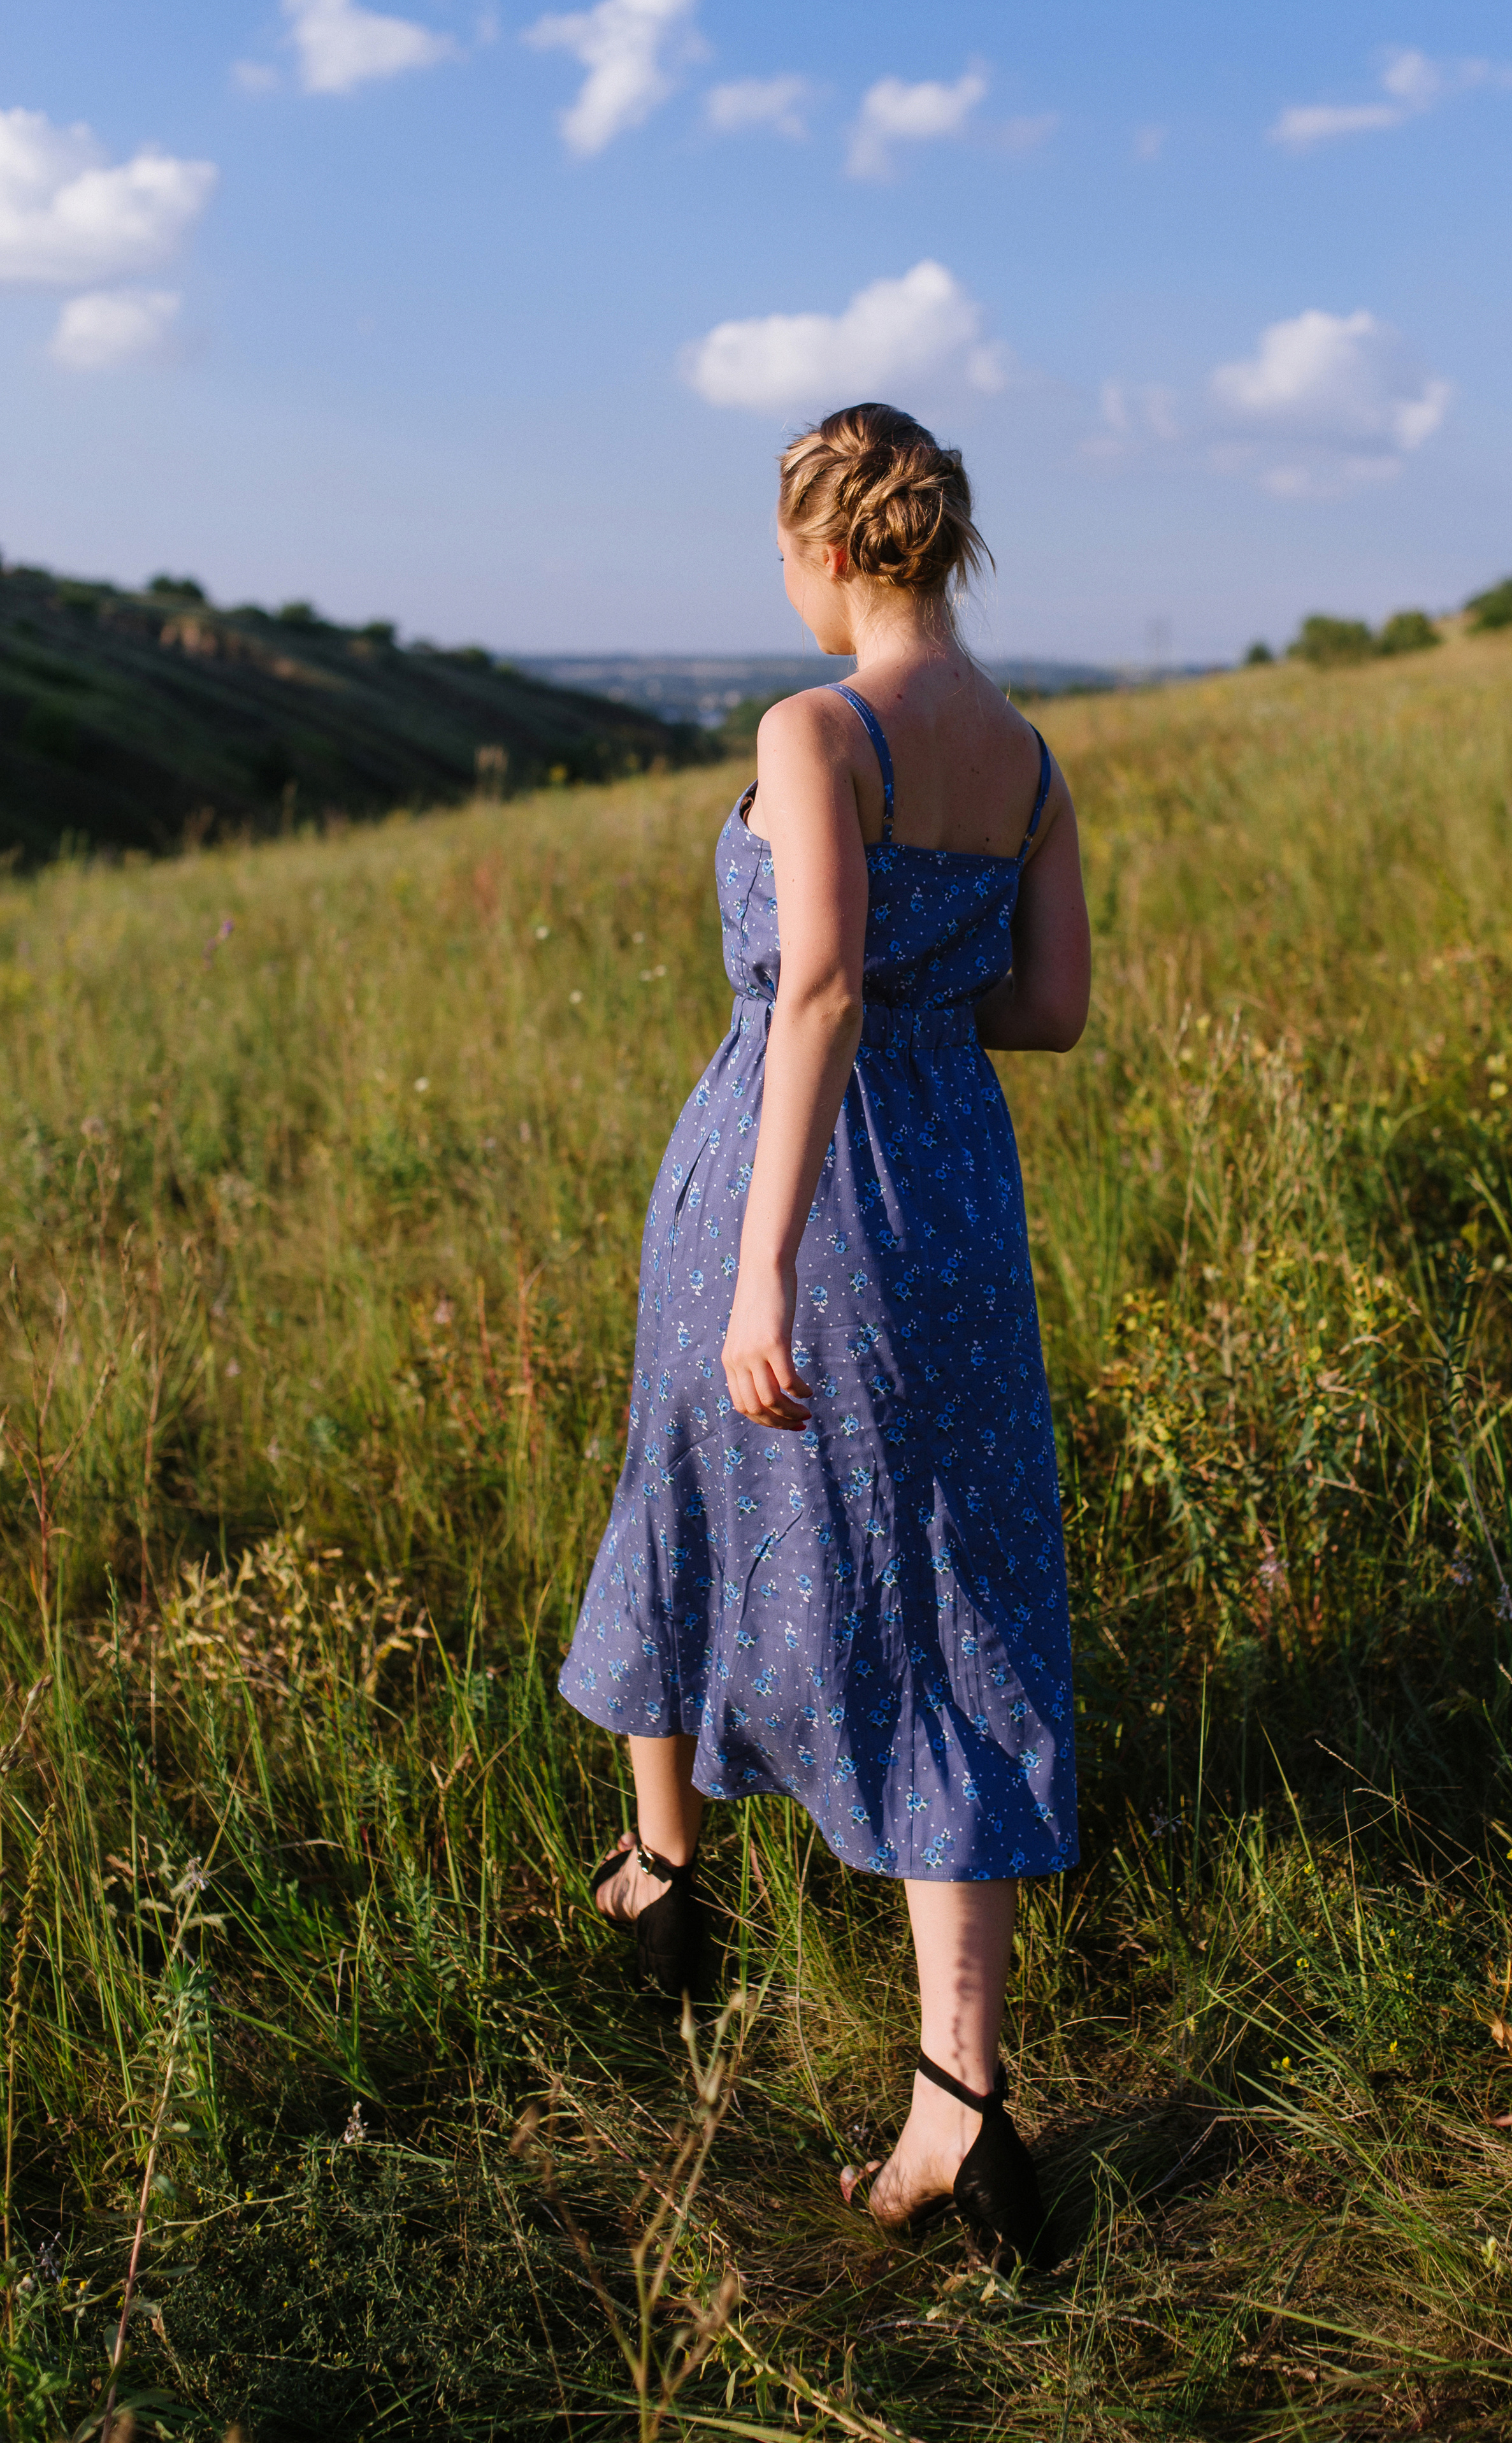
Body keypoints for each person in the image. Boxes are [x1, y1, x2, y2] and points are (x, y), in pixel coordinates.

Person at [560, 402, 1091, 2254]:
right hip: (956, 1197)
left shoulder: (816, 730)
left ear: (835, 554)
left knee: (684, 1499)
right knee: (959, 1593)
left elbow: (816, 990)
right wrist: (929, 1021)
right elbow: (1053, 1011)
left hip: (789, 1190)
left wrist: (768, 1261)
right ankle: (961, 2088)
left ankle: (664, 1868)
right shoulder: (1027, 763)